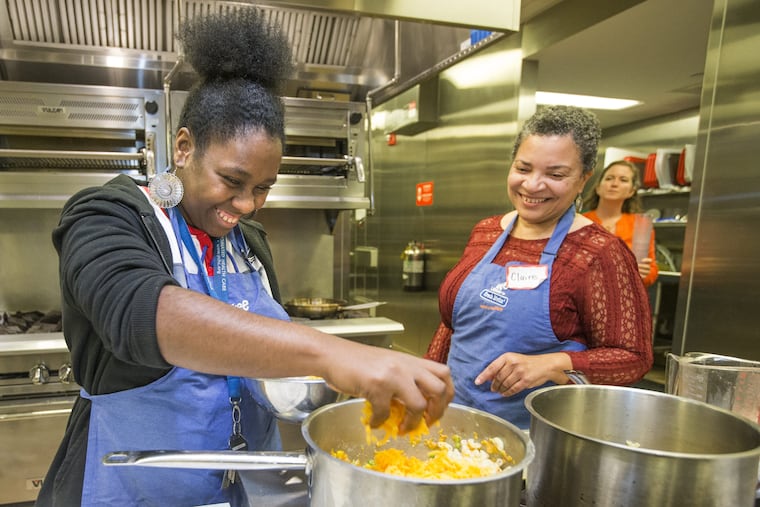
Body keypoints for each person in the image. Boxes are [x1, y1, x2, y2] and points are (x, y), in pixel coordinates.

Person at [37, 10, 452, 507]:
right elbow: (139, 313)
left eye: (263, 188)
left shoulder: (248, 241)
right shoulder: (106, 214)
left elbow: (258, 349)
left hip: (250, 486)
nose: (248, 205)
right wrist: (333, 353)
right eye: (233, 182)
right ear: (185, 147)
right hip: (140, 487)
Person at [424, 106, 653, 430]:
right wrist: (424, 381)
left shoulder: (599, 252)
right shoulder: (486, 232)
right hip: (451, 421)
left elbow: (633, 358)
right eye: (523, 168)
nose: (532, 185)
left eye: (555, 175)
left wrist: (554, 364)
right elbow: (453, 326)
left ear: (583, 180)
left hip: (535, 440)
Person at [582, 159, 659, 287]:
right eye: (609, 178)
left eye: (623, 180)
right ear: (598, 187)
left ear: (631, 191)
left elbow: (651, 270)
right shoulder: (579, 222)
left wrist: (644, 274)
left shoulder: (641, 226)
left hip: (623, 296)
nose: (614, 184)